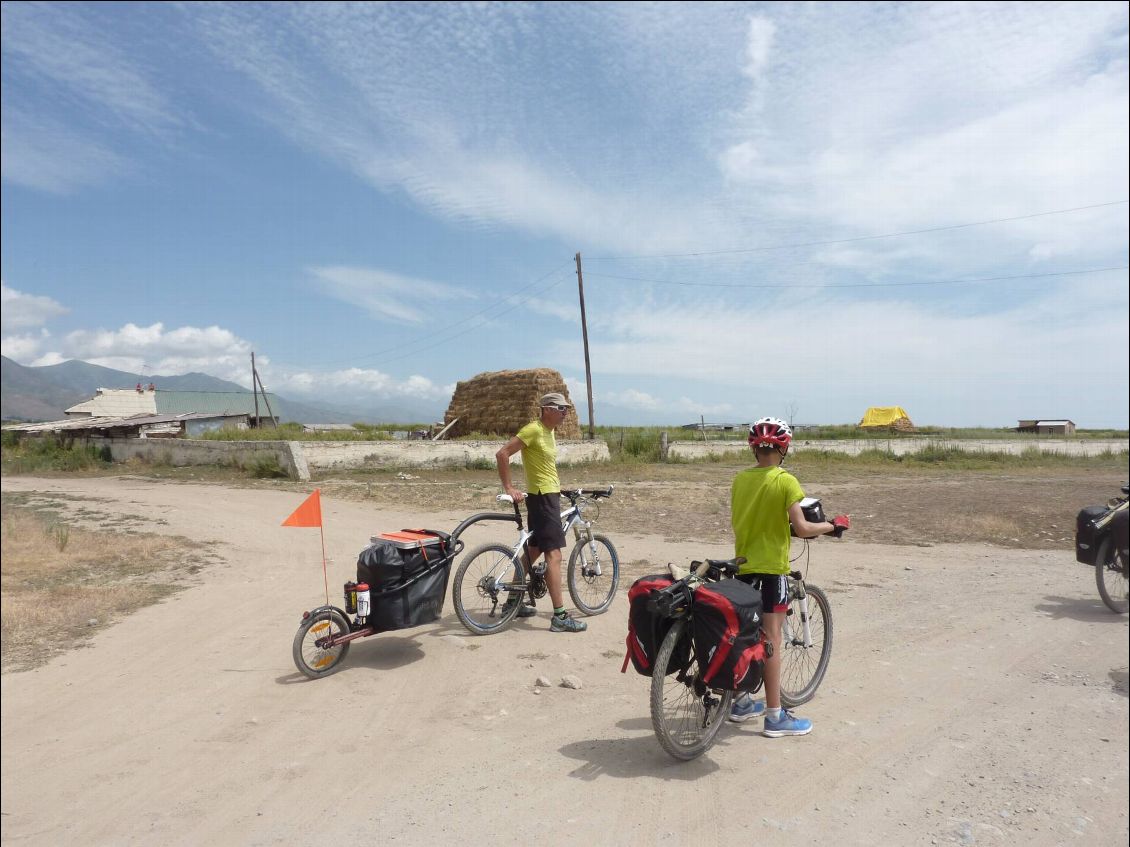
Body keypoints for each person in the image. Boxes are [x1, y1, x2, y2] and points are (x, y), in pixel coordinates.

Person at [728, 417, 849, 736]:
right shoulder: (785, 481)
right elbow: (804, 527)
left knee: (744, 635)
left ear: (753, 449)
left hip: (741, 568)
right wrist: (831, 526)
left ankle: (740, 701)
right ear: (784, 449)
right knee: (771, 640)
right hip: (771, 570)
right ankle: (774, 716)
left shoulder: (740, 480)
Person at [494, 392, 587, 633]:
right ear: (546, 408)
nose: (565, 412)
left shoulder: (549, 431)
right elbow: (502, 454)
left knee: (533, 550)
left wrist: (558, 488)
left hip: (547, 495)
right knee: (554, 555)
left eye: (566, 408)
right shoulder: (533, 430)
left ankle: (512, 602)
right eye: (560, 408)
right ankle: (560, 616)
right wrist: (509, 487)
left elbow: (543, 466)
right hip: (542, 498)